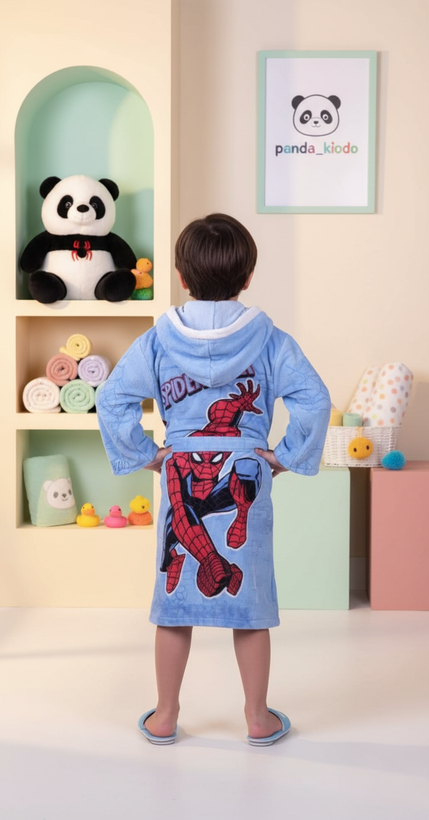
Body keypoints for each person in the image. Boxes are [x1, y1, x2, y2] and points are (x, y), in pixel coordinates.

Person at [97, 213, 331, 746]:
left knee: (173, 606)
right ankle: (257, 718)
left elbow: (112, 400)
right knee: (250, 609)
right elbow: (314, 401)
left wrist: (149, 455)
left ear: (182, 277)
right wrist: (282, 457)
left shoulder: (157, 341)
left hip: (182, 466)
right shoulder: (270, 340)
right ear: (247, 278)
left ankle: (164, 715)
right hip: (247, 467)